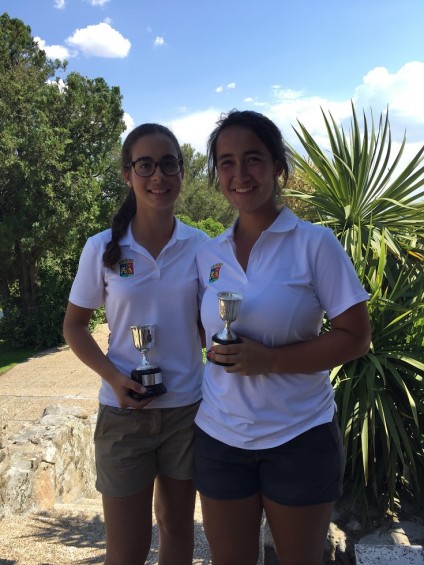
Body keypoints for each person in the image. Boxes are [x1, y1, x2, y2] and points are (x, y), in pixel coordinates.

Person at [194, 110, 372, 565]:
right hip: (221, 437)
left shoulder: (315, 244)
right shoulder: (208, 253)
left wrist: (269, 360)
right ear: (217, 175)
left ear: (277, 166)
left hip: (298, 438)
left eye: (253, 159)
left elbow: (355, 337)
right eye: (227, 162)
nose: (240, 174)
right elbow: (202, 328)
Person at [63, 123, 209, 565]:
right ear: (128, 174)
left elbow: (208, 326)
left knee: (178, 533)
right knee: (125, 551)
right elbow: (74, 327)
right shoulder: (101, 247)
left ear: (182, 172)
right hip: (124, 416)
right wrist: (114, 376)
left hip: (187, 411)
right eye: (145, 165)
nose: (158, 176)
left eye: (169, 164)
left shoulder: (200, 246)